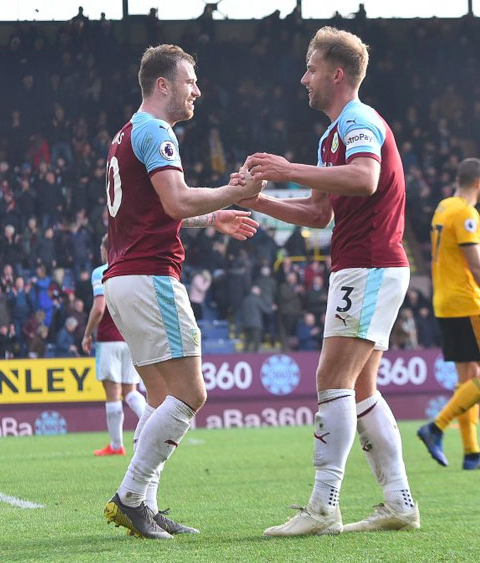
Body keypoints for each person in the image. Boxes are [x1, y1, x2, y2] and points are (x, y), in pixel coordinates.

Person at [243, 27, 418, 535]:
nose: (304, 79)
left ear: (336, 74)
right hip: (362, 263)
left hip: (369, 263)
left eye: (312, 69)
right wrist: (259, 201)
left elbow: (364, 178)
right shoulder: (332, 133)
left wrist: (285, 168)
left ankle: (323, 507)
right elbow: (321, 214)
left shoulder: (358, 120)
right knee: (361, 387)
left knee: (331, 381)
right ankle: (399, 502)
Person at [101, 44, 262, 540]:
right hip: (151, 276)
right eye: (190, 80)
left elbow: (155, 207)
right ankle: (130, 496)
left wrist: (212, 216)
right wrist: (236, 192)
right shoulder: (155, 130)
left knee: (159, 395)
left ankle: (144, 505)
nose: (198, 90)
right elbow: (173, 201)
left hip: (122, 277)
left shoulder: (127, 133)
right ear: (163, 85)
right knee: (192, 393)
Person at [416, 158, 480, 471]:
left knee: (468, 380)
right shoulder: (465, 213)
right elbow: (476, 265)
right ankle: (435, 427)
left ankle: (472, 453)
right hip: (467, 304)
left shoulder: (444, 207)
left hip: (444, 303)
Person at [82, 236, 148, 457]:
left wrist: (87, 333)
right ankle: (152, 430)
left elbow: (99, 309)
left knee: (113, 392)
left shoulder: (100, 272)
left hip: (109, 339)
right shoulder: (132, 270)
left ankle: (116, 445)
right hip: (130, 339)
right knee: (131, 391)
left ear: (104, 250)